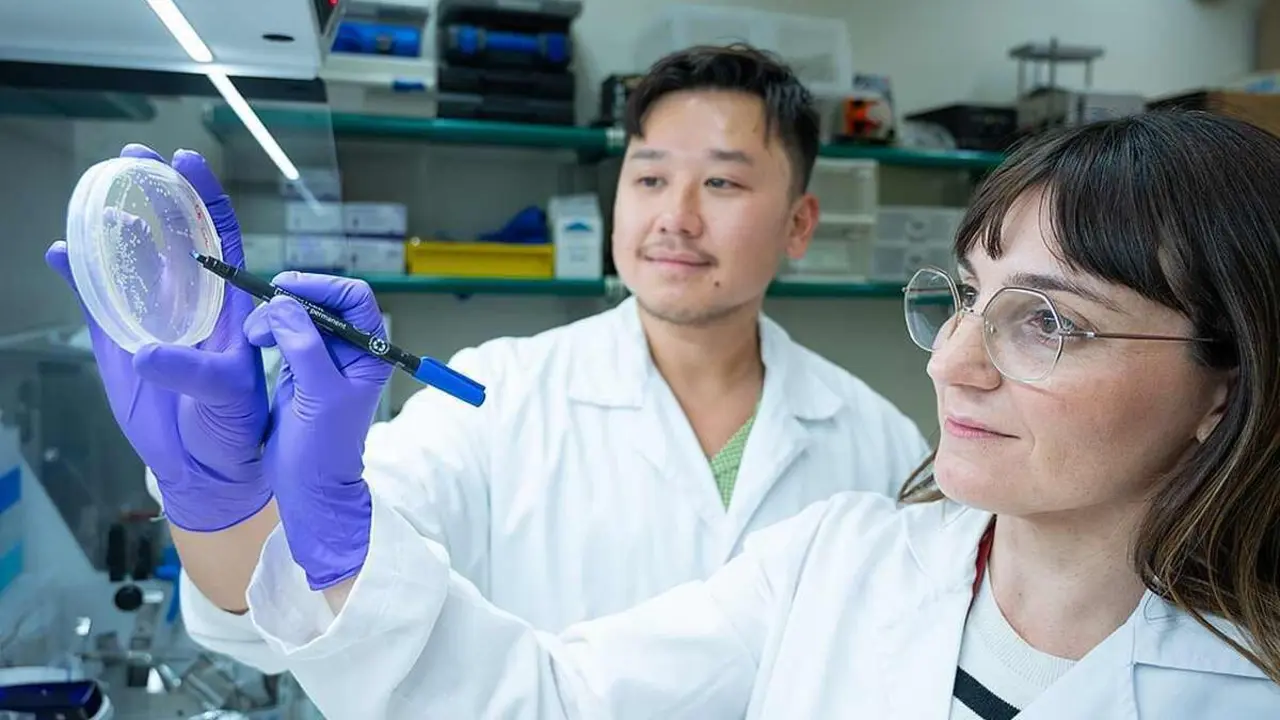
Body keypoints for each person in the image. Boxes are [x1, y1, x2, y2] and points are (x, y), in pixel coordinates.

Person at [190, 110, 1280, 718]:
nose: (952, 363)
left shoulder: (1239, 689)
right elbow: (547, 700)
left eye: (1046, 322)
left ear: (1223, 381)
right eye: (959, 300)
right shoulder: (836, 561)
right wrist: (298, 519)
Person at [43, 43, 928, 672]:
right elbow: (280, 614)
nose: (677, 217)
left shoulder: (879, 442)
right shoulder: (496, 393)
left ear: (801, 224)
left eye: (724, 182)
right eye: (650, 177)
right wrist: (216, 503)